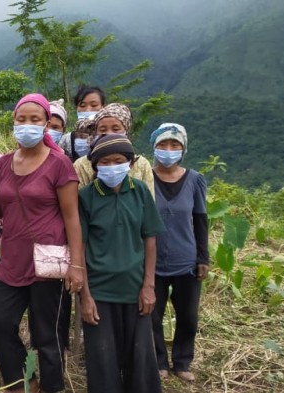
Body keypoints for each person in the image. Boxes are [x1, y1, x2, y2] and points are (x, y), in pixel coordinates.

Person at [0, 93, 85, 393]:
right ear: (14, 122)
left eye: (35, 119)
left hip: (49, 260)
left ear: (46, 123)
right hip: (12, 259)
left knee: (47, 335)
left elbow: (72, 218)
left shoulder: (60, 164)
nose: (27, 124)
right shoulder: (5, 163)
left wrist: (76, 266)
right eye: (22, 119)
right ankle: (21, 382)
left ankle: (52, 387)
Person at [78, 133, 165, 393]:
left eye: (118, 161)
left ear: (130, 162)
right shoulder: (85, 197)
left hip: (135, 290)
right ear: (95, 166)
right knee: (103, 362)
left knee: (140, 360)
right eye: (105, 162)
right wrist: (85, 297)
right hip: (99, 293)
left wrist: (149, 286)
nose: (112, 167)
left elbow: (150, 240)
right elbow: (80, 248)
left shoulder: (140, 192)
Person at [149, 123, 208, 383]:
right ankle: (159, 362)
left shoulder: (194, 179)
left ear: (183, 149)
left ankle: (182, 362)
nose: (168, 149)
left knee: (188, 316)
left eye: (175, 145)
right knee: (152, 314)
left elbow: (201, 219)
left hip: (186, 260)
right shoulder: (145, 177)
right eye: (163, 144)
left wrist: (203, 257)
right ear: (154, 147)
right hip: (152, 260)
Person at [73, 103, 155, 196]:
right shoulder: (82, 165)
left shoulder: (142, 165)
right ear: (95, 132)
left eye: (115, 129)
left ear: (126, 131)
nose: (109, 134)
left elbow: (149, 200)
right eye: (103, 130)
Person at [59, 86, 105, 156]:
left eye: (94, 105)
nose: (88, 110)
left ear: (103, 107)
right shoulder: (67, 141)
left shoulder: (109, 136)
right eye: (82, 106)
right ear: (76, 108)